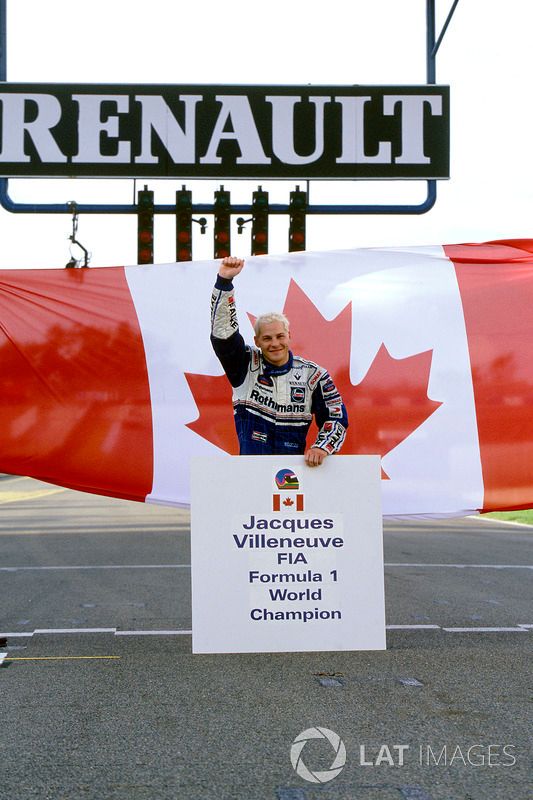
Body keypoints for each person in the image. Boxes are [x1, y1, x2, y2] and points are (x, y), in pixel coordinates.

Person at [210, 256, 348, 467]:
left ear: (289, 336)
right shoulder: (245, 365)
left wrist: (322, 446)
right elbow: (223, 335)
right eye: (267, 338)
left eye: (279, 336)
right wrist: (224, 282)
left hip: (294, 478)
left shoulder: (314, 375)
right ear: (257, 341)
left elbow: (335, 416)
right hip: (252, 474)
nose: (275, 343)